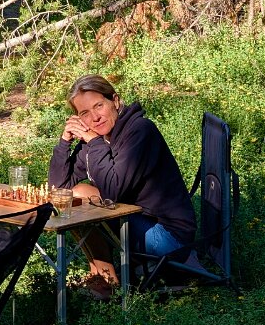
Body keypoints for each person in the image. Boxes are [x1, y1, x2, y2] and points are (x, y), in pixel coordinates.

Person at [48, 74, 196, 300]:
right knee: (73, 196)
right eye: (84, 113)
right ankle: (103, 279)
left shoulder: (140, 131)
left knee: (82, 198)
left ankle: (106, 282)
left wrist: (94, 143)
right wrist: (64, 143)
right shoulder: (96, 139)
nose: (95, 118)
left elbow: (113, 190)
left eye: (99, 106)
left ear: (115, 101)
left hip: (170, 240)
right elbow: (59, 188)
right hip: (139, 225)